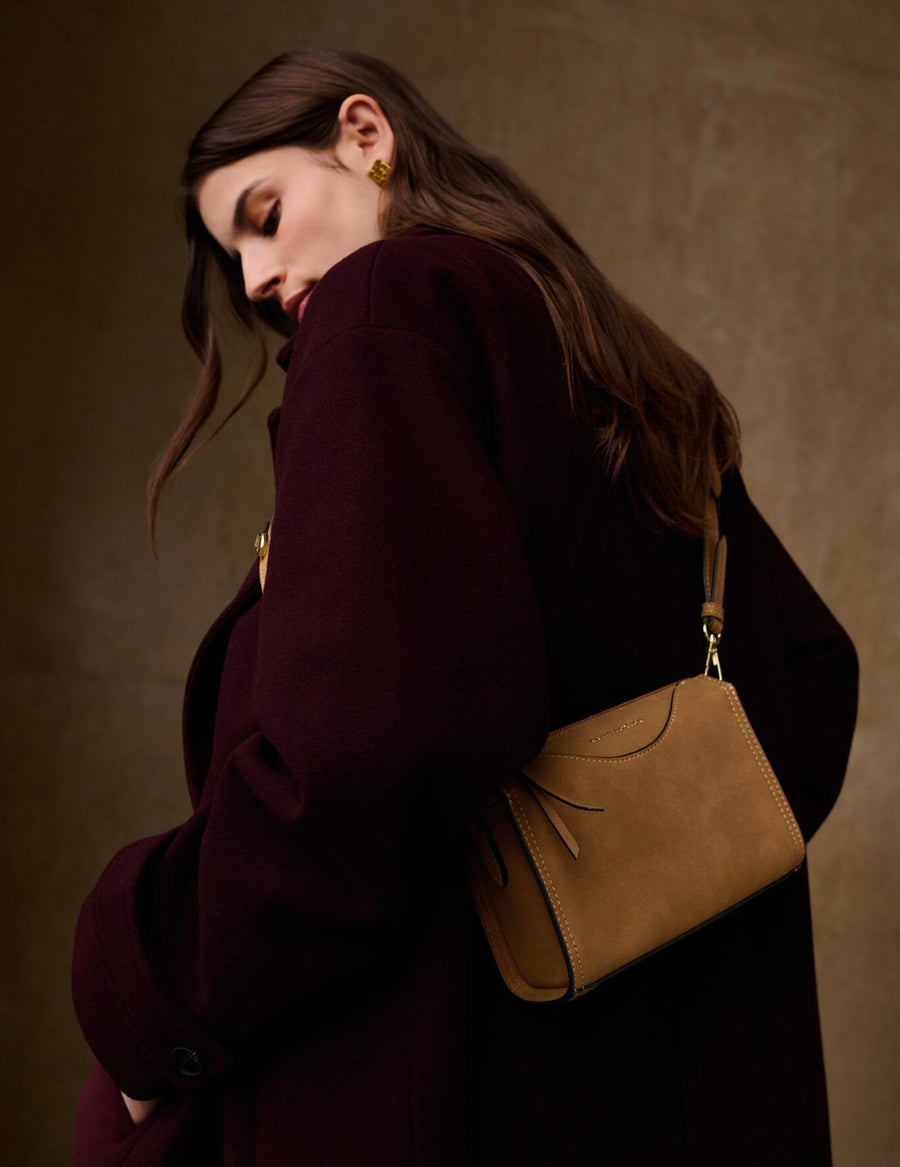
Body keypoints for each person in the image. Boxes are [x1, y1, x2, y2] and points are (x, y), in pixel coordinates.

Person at [71, 47, 858, 1167]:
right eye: (232, 251)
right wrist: (635, 858)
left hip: (441, 1088)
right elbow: (809, 675)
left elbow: (369, 743)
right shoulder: (616, 359)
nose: (253, 278)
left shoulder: (385, 306)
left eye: (263, 215)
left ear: (365, 136)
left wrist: (155, 992)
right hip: (676, 1092)